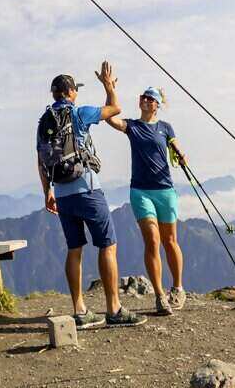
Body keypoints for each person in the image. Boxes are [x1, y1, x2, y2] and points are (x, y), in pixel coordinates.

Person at [36, 62, 146, 328]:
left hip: (61, 193)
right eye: (76, 90)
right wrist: (109, 86)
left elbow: (40, 160)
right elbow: (114, 110)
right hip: (87, 189)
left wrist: (48, 192)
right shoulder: (80, 113)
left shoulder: (44, 122)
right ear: (71, 92)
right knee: (107, 245)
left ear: (54, 94)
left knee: (74, 249)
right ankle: (114, 309)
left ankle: (80, 311)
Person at [105, 86, 187, 314]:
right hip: (141, 191)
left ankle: (178, 288)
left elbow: (177, 149)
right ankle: (160, 296)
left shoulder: (165, 128)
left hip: (165, 190)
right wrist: (110, 88)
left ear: (157, 105)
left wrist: (181, 157)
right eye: (143, 97)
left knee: (170, 241)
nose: (145, 100)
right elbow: (110, 119)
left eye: (150, 98)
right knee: (152, 240)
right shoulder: (132, 126)